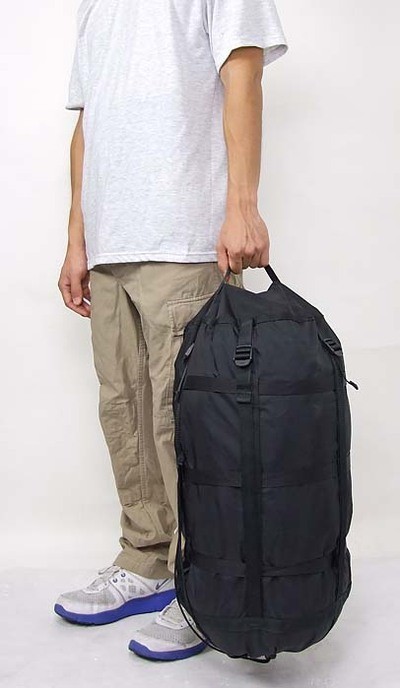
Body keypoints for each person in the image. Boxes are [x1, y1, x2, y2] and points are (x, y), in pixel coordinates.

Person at [55, 0, 288, 662]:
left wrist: (243, 205)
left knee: (189, 424)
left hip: (184, 235)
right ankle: (147, 558)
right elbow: (88, 123)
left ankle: (210, 582)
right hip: (111, 245)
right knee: (126, 413)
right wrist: (77, 239)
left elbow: (244, 71)